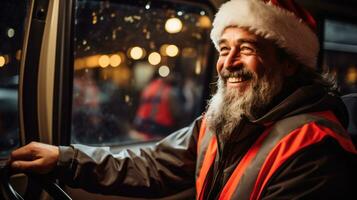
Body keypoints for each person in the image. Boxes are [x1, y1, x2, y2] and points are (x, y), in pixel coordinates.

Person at [9, 0, 357, 199]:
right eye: (224, 49)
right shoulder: (225, 122)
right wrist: (66, 159)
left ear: (288, 63)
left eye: (247, 49)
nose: (228, 63)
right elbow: (154, 163)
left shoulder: (315, 149)